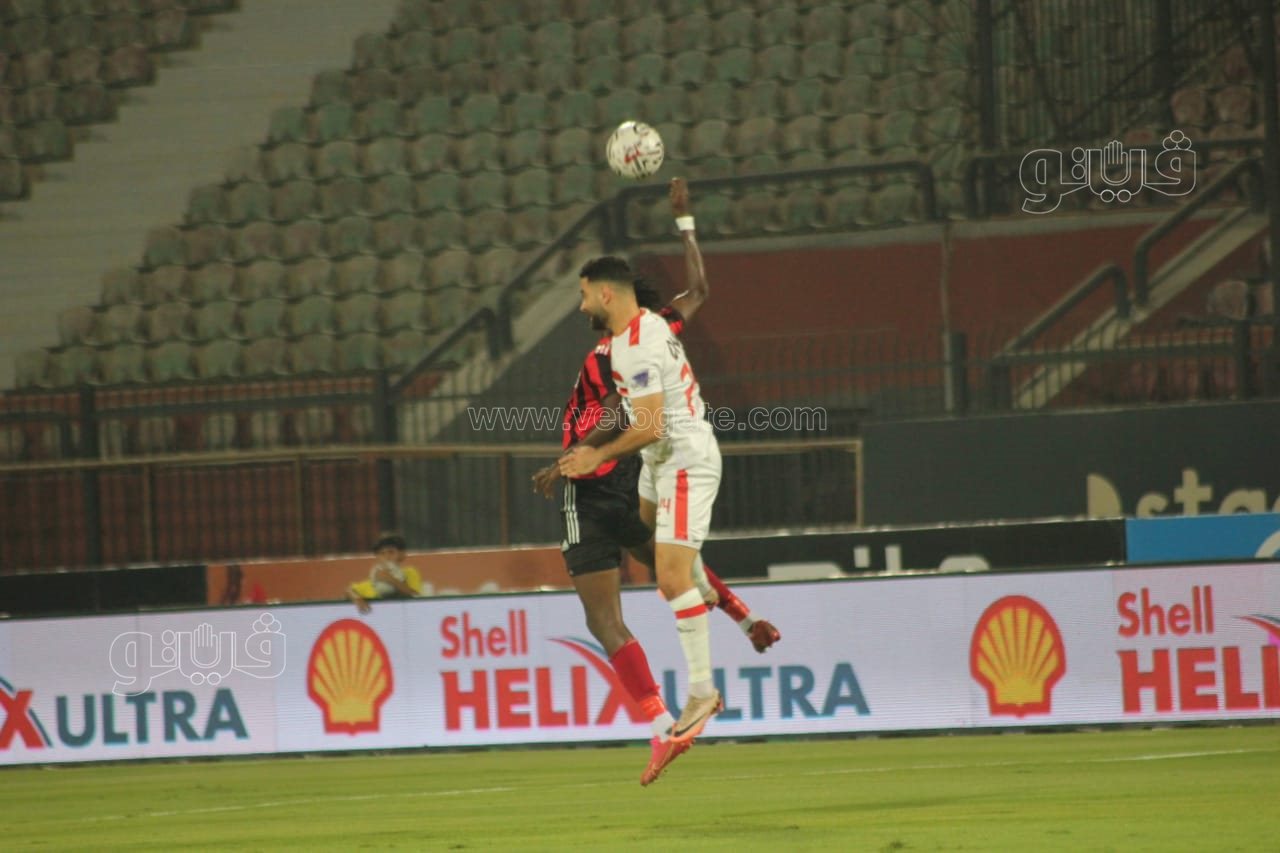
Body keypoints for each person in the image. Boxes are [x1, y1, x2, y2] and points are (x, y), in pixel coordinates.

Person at [556, 191, 735, 784]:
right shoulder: (656, 321)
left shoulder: (633, 346)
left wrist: (594, 455)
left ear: (606, 294)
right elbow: (699, 290)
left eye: (584, 293)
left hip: (680, 455)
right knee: (654, 540)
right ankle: (717, 597)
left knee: (668, 579)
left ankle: (702, 693)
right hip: (662, 463)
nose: (581, 303)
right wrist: (685, 222)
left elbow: (650, 425)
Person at [346, 532, 428, 614]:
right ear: (378, 557)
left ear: (401, 555)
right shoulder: (373, 582)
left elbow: (415, 595)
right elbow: (350, 591)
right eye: (382, 553)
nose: (387, 557)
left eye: (391, 552)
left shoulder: (409, 573)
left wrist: (389, 579)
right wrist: (357, 598)